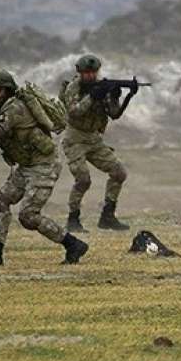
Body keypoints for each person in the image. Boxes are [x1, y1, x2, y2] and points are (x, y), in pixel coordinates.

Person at [0, 69, 88, 266]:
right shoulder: (4, 107)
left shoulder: (15, 109)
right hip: (27, 166)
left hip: (44, 166)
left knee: (28, 216)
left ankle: (73, 244)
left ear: (3, 90)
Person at [59, 54, 136, 232]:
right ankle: (73, 219)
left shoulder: (102, 87)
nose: (90, 76)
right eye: (86, 73)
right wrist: (93, 96)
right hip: (74, 138)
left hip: (94, 139)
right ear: (80, 73)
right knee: (83, 180)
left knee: (119, 173)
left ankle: (107, 216)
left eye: (93, 72)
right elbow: (74, 112)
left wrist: (120, 96)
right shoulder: (73, 88)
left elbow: (114, 114)